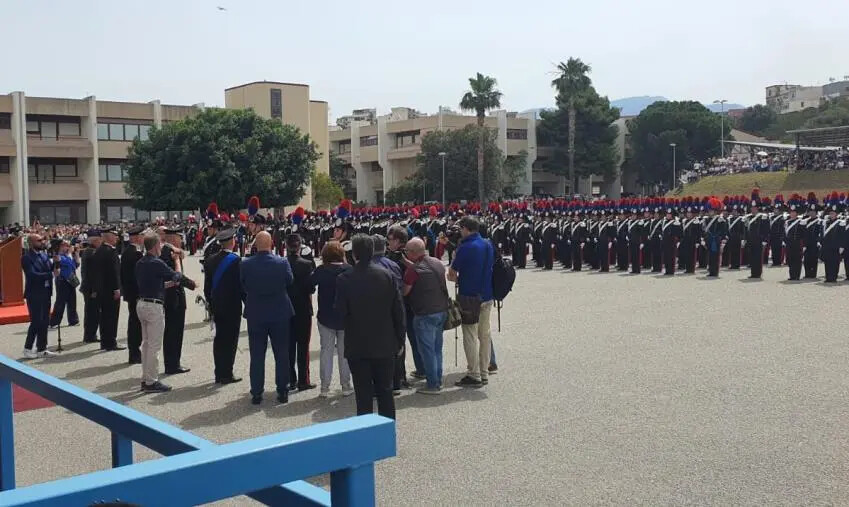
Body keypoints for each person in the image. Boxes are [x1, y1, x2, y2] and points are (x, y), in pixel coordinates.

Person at [335, 234, 405, 419]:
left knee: (363, 394)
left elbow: (340, 313)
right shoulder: (387, 275)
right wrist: (400, 339)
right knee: (385, 392)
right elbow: (398, 311)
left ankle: (366, 433)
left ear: (354, 254)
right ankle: (387, 431)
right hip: (385, 343)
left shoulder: (344, 279)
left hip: (357, 344)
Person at [135, 232, 197, 393]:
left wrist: (170, 284)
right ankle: (151, 381)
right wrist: (176, 260)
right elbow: (177, 276)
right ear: (156, 246)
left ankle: (145, 378)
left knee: (146, 344)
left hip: (142, 303)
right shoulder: (156, 262)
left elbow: (157, 284)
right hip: (153, 307)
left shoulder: (140, 262)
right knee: (153, 346)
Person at [240, 231, 294, 405]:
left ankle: (257, 392)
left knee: (257, 355)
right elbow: (289, 280)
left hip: (256, 313)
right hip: (279, 312)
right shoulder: (282, 262)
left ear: (255, 245)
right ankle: (283, 390)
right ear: (271, 244)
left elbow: (243, 284)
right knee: (282, 353)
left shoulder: (246, 264)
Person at [448, 216, 495, 388]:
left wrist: (458, 277)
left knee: (470, 336)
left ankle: (474, 373)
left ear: (466, 229)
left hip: (469, 296)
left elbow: (451, 274)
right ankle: (484, 372)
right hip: (487, 294)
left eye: (461, 228)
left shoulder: (465, 247)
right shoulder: (488, 244)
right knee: (485, 335)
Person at [401, 237, 449, 394]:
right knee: (436, 349)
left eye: (407, 251)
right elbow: (424, 269)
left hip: (424, 313)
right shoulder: (437, 262)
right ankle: (437, 379)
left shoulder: (413, 270)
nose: (405, 253)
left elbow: (405, 291)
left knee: (427, 351)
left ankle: (432, 384)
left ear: (413, 252)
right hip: (441, 310)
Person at [310, 241, 353, 398]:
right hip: (345, 317)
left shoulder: (321, 270)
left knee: (326, 352)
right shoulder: (349, 269)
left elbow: (309, 285)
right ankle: (346, 385)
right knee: (344, 353)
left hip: (326, 316)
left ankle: (325, 387)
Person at [203, 227, 243, 384]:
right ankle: (227, 372)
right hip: (232, 306)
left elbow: (207, 287)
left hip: (216, 305)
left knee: (219, 339)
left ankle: (218, 372)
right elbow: (240, 286)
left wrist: (210, 303)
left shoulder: (210, 260)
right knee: (231, 340)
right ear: (232, 241)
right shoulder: (236, 260)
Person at [386, 225, 420, 391]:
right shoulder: (391, 256)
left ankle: (403, 376)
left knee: (407, 340)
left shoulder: (408, 255)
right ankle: (402, 375)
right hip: (402, 303)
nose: (388, 242)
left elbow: (418, 271)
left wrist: (404, 260)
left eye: (390, 239)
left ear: (399, 241)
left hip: (407, 303)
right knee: (404, 341)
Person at [285, 233, 316, 391]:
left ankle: (291, 379)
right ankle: (303, 380)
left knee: (289, 346)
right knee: (303, 347)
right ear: (299, 247)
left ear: (286, 246)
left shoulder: (281, 263)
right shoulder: (307, 264)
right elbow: (311, 288)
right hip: (303, 309)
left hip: (286, 310)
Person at [22, 234, 59, 358]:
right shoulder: (26, 258)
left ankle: (42, 348)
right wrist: (50, 274)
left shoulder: (44, 255)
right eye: (39, 240)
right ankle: (27, 348)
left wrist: (56, 262)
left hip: (46, 291)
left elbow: (50, 269)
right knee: (36, 321)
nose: (42, 242)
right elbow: (31, 275)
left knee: (45, 322)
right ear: (31, 243)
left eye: (43, 239)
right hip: (34, 293)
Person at [160, 227, 191, 374]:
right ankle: (172, 364)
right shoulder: (168, 252)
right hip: (173, 297)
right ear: (173, 238)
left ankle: (173, 362)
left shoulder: (171, 250)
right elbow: (175, 275)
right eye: (179, 237)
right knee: (174, 331)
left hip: (174, 296)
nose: (181, 240)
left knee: (174, 331)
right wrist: (191, 284)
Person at [91, 227, 124, 351]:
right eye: (114, 235)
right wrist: (117, 288)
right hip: (110, 290)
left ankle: (105, 342)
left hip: (102, 289)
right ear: (108, 236)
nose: (116, 238)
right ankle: (111, 342)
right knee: (111, 316)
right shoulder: (110, 251)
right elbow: (113, 272)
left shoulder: (99, 250)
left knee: (104, 316)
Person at [120, 226, 145, 364]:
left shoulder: (128, 252)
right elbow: (136, 277)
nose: (143, 238)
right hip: (136, 294)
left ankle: (134, 352)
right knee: (136, 324)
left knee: (135, 322)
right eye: (141, 235)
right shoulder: (134, 253)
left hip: (131, 293)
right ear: (136, 237)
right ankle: (134, 353)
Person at [48, 239, 80, 328]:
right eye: (66, 245)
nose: (68, 247)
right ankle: (54, 322)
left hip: (70, 280)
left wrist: (76, 254)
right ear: (60, 246)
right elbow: (63, 264)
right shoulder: (58, 256)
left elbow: (75, 265)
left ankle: (73, 320)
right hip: (62, 281)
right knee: (60, 302)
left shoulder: (67, 256)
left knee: (72, 301)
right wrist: (70, 253)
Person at [79, 230, 101, 343]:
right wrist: (94, 289)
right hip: (90, 288)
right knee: (92, 312)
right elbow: (91, 274)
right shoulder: (91, 253)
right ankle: (89, 335)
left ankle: (90, 334)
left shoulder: (89, 251)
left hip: (88, 287)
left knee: (91, 312)